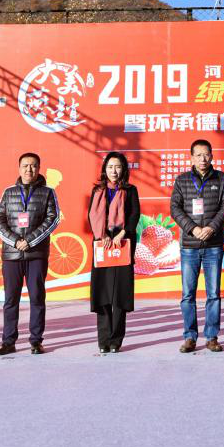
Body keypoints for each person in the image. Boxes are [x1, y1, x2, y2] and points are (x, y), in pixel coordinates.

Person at [0, 152, 61, 356]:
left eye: (33, 166)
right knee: (10, 300)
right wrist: (15, 241)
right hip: (11, 255)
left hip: (36, 254)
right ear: (19, 168)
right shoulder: (8, 192)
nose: (29, 169)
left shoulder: (48, 193)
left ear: (39, 168)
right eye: (25, 165)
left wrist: (29, 240)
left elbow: (53, 219)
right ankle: (8, 342)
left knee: (37, 298)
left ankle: (36, 341)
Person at [170, 138, 224, 353]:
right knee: (188, 294)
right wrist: (193, 229)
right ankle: (190, 337)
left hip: (213, 245)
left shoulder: (222, 179)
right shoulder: (182, 180)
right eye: (198, 155)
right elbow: (175, 208)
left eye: (206, 154)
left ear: (212, 156)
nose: (203, 158)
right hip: (189, 246)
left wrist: (212, 228)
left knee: (213, 293)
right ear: (191, 158)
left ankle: (211, 337)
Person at [88, 151, 141, 353]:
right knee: (102, 292)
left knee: (119, 293)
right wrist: (102, 235)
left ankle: (115, 341)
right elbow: (92, 216)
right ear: (105, 169)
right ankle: (103, 340)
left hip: (123, 243)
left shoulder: (131, 190)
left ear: (124, 169)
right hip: (102, 243)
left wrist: (123, 233)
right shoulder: (97, 190)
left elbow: (135, 214)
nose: (114, 171)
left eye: (118, 167)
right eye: (110, 167)